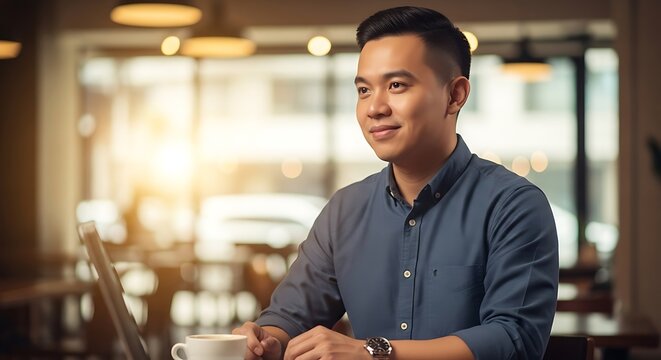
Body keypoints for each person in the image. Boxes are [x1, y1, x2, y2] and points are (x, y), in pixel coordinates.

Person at [233, 6, 558, 360]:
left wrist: (375, 352)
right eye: (363, 90)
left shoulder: (513, 205)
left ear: (455, 95)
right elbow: (289, 317)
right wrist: (264, 339)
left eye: (396, 85)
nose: (375, 108)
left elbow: (514, 341)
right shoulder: (345, 210)